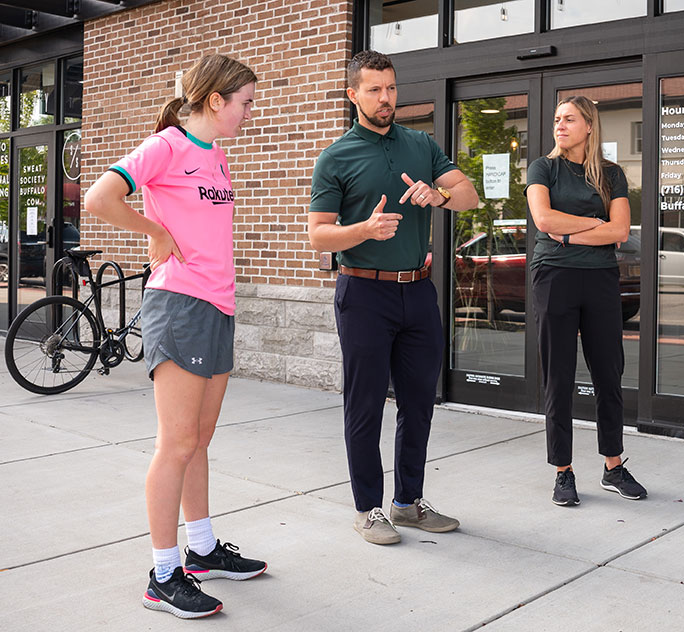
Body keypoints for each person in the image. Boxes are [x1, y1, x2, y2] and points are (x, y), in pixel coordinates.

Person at [84, 54, 267, 618]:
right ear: (215, 100)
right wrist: (154, 231)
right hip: (179, 305)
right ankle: (163, 575)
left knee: (198, 441)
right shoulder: (166, 146)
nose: (250, 112)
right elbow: (99, 198)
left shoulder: (218, 156)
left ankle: (202, 549)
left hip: (218, 305)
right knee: (176, 444)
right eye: (245, 103)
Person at [308, 50, 479, 545]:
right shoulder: (336, 157)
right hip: (363, 292)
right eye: (375, 90)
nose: (386, 98)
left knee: (419, 403)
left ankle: (408, 503)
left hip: (418, 291)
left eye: (391, 88)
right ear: (353, 94)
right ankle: (368, 509)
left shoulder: (420, 144)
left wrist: (439, 196)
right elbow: (318, 235)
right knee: (364, 405)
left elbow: (469, 195)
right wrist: (363, 229)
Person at [524, 95, 647, 507]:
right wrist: (595, 223)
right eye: (557, 119)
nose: (559, 125)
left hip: (600, 278)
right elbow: (544, 219)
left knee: (608, 372)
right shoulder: (543, 168)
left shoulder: (611, 174)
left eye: (569, 119)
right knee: (558, 375)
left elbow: (621, 230)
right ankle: (563, 471)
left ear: (589, 126)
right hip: (553, 276)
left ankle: (613, 466)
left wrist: (569, 233)